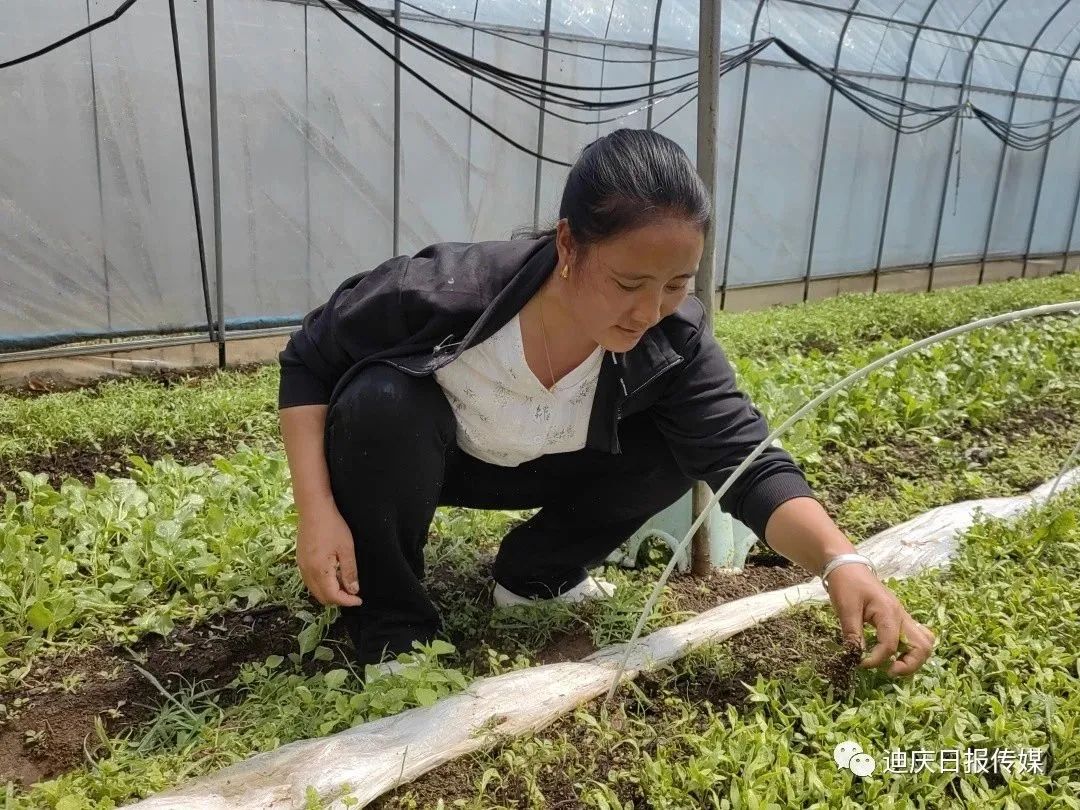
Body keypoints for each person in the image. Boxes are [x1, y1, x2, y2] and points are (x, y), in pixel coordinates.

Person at [277, 128, 936, 678]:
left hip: (551, 465)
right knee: (380, 400)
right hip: (429, 462)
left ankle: (536, 577)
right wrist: (317, 511)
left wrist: (842, 563)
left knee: (681, 446)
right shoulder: (445, 292)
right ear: (568, 245)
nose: (649, 311)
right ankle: (395, 627)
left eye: (676, 284)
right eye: (628, 283)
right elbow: (309, 359)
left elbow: (748, 463)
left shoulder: (673, 339)